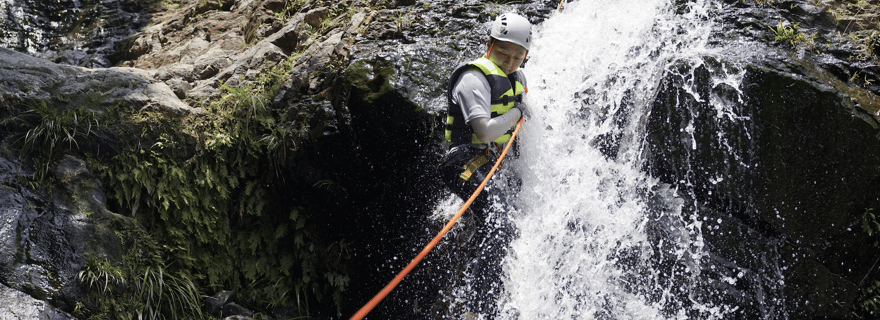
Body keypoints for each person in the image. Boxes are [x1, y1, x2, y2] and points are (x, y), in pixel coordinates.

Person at [438, 12, 532, 319]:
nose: (508, 63)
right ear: (488, 45)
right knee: (499, 219)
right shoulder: (472, 78)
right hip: (461, 160)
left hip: (489, 162)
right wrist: (518, 113)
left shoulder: (517, 78)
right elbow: (485, 131)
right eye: (503, 54)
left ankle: (497, 298)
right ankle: (479, 311)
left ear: (525, 57)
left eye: (517, 58)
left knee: (509, 218)